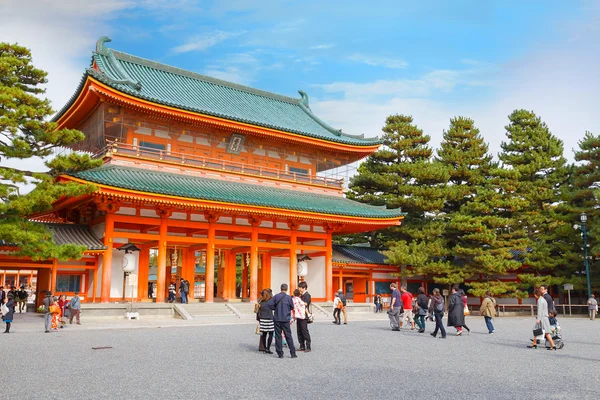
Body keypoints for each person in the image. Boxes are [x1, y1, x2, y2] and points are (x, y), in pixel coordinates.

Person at [267, 284, 297, 359]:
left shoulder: (276, 296)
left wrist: (274, 308)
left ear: (280, 289)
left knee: (278, 336)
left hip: (277, 318)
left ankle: (280, 353)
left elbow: (269, 304)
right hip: (286, 318)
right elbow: (292, 307)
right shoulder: (288, 298)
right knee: (288, 336)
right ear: (286, 289)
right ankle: (292, 353)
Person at [258, 289, 274, 354]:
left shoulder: (260, 302)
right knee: (271, 334)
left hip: (262, 319)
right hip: (269, 318)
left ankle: (264, 348)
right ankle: (268, 348)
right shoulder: (270, 302)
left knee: (264, 334)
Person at [297, 281, 312, 352]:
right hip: (299, 315)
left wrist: (298, 302)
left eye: (300, 288)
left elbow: (306, 304)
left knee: (304, 331)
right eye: (299, 287)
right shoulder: (300, 295)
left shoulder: (307, 295)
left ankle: (308, 346)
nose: (299, 289)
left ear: (304, 288)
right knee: (299, 331)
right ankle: (302, 345)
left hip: (304, 316)